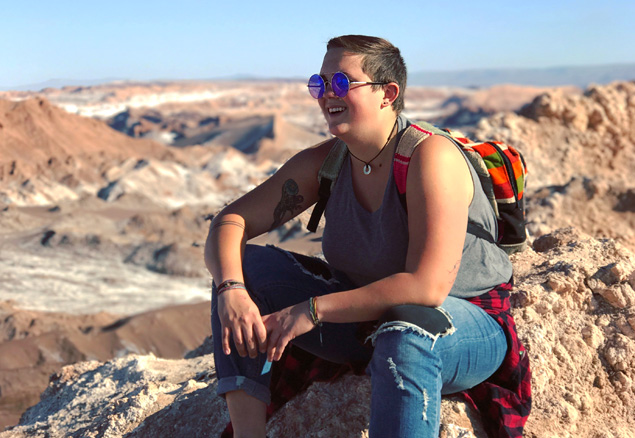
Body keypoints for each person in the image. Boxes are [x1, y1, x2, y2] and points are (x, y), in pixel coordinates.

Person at [205, 35, 529, 438]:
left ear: (387, 94)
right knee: (247, 269)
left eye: (341, 83)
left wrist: (311, 310)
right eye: (319, 84)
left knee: (406, 333)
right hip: (363, 318)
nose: (326, 95)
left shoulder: (430, 158)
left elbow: (426, 288)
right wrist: (231, 290)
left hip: (460, 326)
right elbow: (231, 220)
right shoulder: (329, 160)